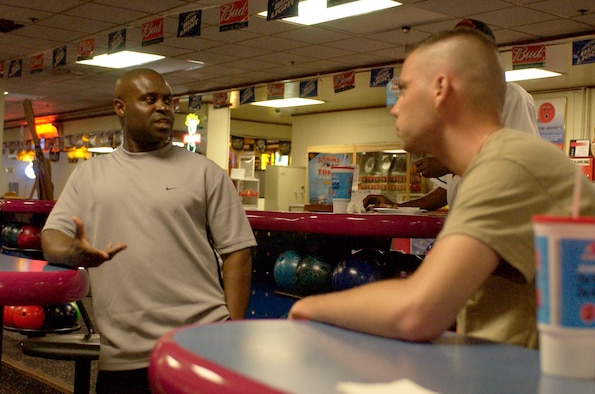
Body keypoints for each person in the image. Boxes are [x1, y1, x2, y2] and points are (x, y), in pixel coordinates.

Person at [289, 29, 595, 349]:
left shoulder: (508, 165)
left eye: (403, 90)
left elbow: (417, 311)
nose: (394, 107)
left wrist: (307, 307)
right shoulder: (492, 166)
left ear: (440, 88)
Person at [41, 68, 257, 393]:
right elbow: (51, 237)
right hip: (123, 354)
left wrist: (232, 334)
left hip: (200, 341)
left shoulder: (206, 173)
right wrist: (70, 253)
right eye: (150, 99)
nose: (163, 107)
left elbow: (237, 254)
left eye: (168, 100)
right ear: (120, 107)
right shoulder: (89, 175)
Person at [364, 19, 539, 211]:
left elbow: (520, 164)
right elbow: (446, 193)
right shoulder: (455, 107)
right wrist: (396, 207)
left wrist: (447, 164)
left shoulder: (511, 96)